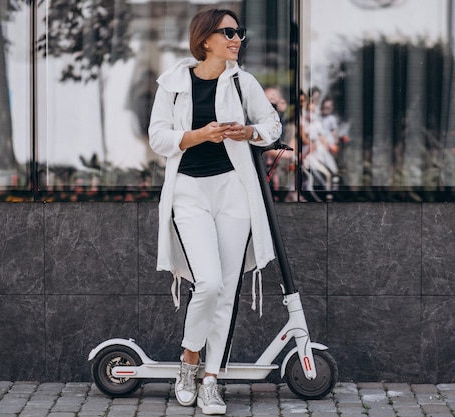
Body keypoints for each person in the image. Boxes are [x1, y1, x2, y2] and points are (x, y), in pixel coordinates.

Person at [148, 8, 281, 415]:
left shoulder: (243, 82)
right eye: (228, 32)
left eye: (240, 31)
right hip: (189, 191)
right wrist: (198, 135)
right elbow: (157, 137)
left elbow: (271, 125)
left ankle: (211, 380)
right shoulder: (173, 83)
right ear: (205, 39)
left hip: (233, 191)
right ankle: (189, 362)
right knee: (206, 283)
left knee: (226, 290)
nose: (237, 38)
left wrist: (250, 132)